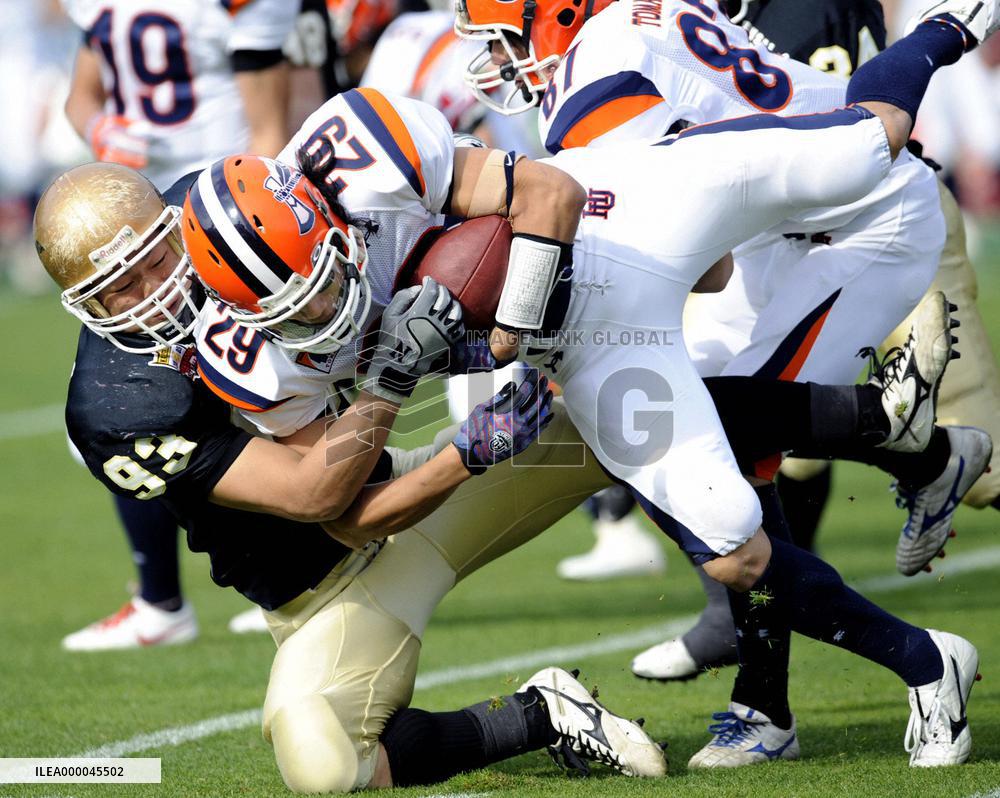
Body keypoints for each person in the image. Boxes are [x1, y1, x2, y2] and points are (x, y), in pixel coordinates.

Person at [182, 4, 989, 769]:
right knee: (734, 550)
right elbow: (345, 507)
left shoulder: (359, 146)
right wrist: (454, 442)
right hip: (592, 348)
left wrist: (509, 334)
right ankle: (928, 658)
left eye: (324, 284)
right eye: (295, 314)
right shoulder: (255, 357)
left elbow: (551, 193)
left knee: (865, 142)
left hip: (625, 215)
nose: (324, 315)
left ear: (326, 218)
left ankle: (952, 23)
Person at [34, 160, 667, 792]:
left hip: (401, 494)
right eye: (120, 287)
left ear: (177, 225)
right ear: (81, 305)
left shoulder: (226, 216)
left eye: (154, 256)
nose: (155, 290)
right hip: (327, 579)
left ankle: (751, 649)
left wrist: (480, 322)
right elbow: (321, 498)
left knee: (642, 419)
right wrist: (439, 421)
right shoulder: (119, 407)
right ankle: (542, 715)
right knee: (322, 764)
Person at [455, 0, 994, 679]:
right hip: (779, 225)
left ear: (559, 13)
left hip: (860, 218)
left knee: (722, 437)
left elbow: (695, 263)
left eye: (504, 42)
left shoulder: (592, 76)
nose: (499, 62)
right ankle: (921, 460)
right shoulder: (639, 25)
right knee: (672, 432)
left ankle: (772, 700)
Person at [57, 0, 300, 646]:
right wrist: (102, 130)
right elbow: (81, 97)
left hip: (218, 218)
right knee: (125, 415)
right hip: (126, 240)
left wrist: (256, 230)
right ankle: (162, 601)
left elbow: (270, 127)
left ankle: (307, 561)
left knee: (263, 386)